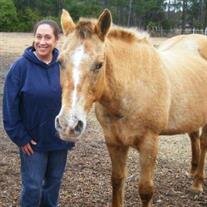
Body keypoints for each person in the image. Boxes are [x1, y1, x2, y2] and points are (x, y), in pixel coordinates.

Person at [3, 19, 74, 207]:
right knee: (33, 186)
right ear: (34, 39)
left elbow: (75, 98)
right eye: (38, 37)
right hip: (32, 142)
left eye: (47, 37)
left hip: (60, 139)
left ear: (57, 40)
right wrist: (20, 137)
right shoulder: (20, 67)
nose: (42, 42)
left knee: (53, 184)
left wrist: (71, 129)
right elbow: (9, 106)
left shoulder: (64, 66)